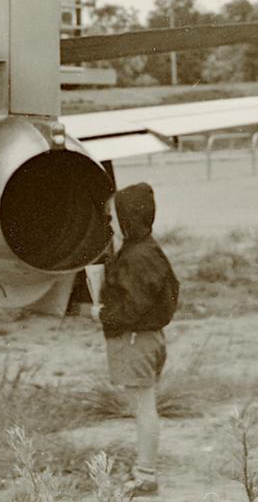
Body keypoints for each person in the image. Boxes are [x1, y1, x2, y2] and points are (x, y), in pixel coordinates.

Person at [92, 182, 179, 497]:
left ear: (129, 218)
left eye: (114, 217)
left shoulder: (135, 257)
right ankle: (145, 469)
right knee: (145, 405)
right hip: (149, 338)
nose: (110, 223)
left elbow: (132, 307)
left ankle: (145, 474)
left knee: (144, 408)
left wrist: (101, 315)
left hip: (135, 341)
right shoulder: (148, 250)